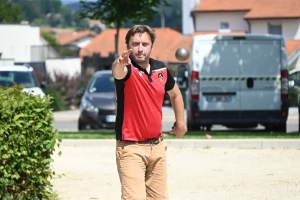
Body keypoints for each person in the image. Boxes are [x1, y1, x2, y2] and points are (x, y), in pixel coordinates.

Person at [112, 24, 187, 200]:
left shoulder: (161, 69)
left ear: (151, 46)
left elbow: (176, 95)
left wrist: (181, 123)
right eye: (135, 44)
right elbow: (117, 71)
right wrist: (120, 62)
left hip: (157, 147)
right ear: (128, 46)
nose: (139, 48)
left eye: (144, 44)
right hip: (131, 148)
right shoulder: (127, 69)